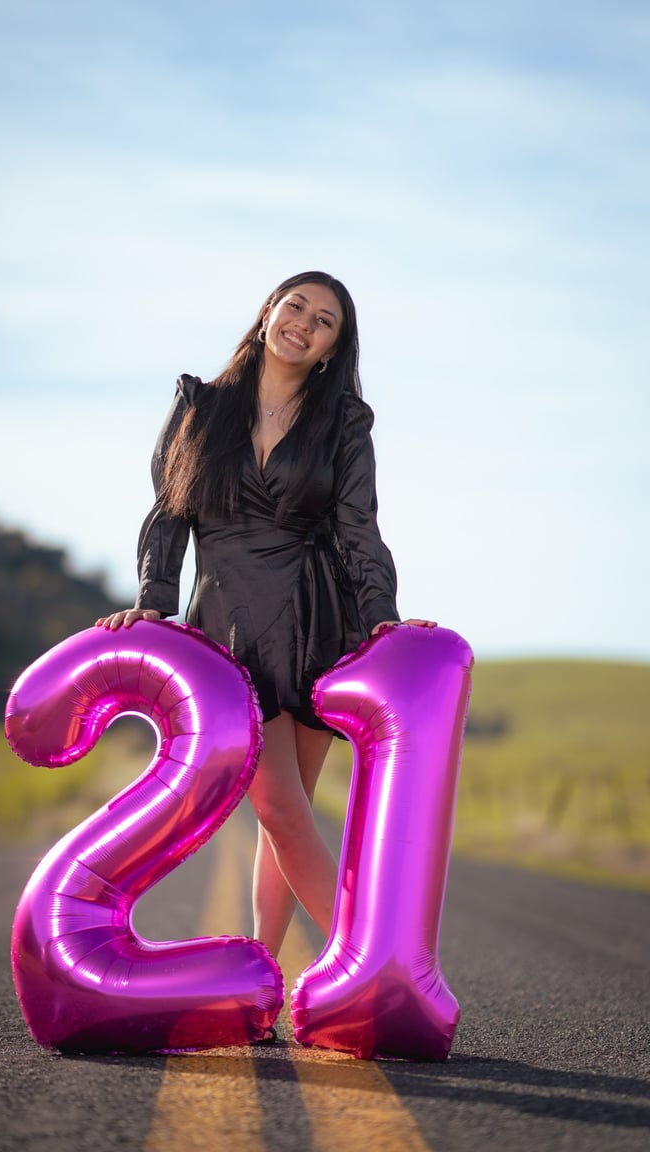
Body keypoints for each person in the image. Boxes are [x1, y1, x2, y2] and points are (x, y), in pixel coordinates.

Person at [96, 271, 435, 961]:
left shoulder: (343, 421)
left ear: (333, 348)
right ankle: (374, 963)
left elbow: (358, 526)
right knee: (278, 807)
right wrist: (154, 601)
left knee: (291, 813)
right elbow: (169, 512)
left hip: (316, 615)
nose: (304, 324)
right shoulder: (200, 405)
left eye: (324, 321)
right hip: (228, 620)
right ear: (268, 313)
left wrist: (381, 614)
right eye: (296, 306)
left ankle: (266, 978)